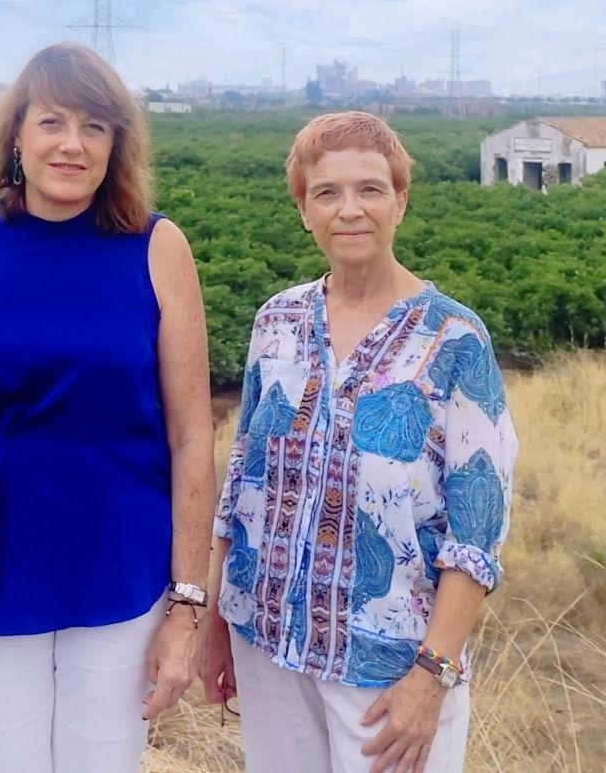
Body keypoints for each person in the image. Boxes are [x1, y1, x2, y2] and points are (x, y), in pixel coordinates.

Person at [0, 42, 216, 773]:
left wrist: (189, 605)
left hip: (119, 558)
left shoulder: (156, 247)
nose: (72, 143)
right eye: (52, 122)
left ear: (116, 146)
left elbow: (193, 433)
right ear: (16, 135)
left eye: (95, 127)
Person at [200, 111, 517, 773]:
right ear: (303, 210)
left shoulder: (456, 339)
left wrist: (433, 672)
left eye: (370, 189)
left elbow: (477, 528)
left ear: (400, 200)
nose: (350, 210)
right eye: (327, 193)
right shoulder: (277, 320)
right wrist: (215, 626)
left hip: (391, 666)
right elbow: (240, 486)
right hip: (269, 644)